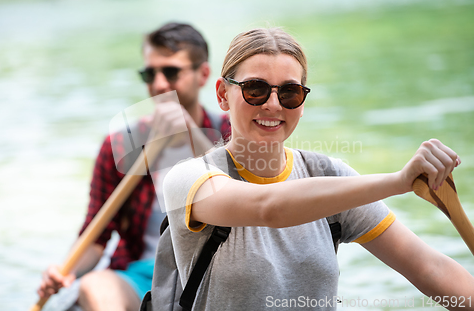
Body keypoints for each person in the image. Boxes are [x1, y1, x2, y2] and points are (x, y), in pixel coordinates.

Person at [163, 27, 474, 311]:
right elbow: (269, 208)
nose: (273, 104)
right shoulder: (189, 179)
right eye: (255, 89)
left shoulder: (329, 177)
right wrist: (400, 181)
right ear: (222, 94)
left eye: (289, 93)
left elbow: (429, 268)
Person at [37, 22, 231, 311]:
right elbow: (96, 235)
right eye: (150, 73)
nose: (159, 84)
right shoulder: (119, 146)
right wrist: (65, 272)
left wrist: (193, 139)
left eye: (171, 72)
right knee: (94, 287)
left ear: (203, 74)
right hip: (143, 275)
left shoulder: (230, 133)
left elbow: (247, 213)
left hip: (213, 272)